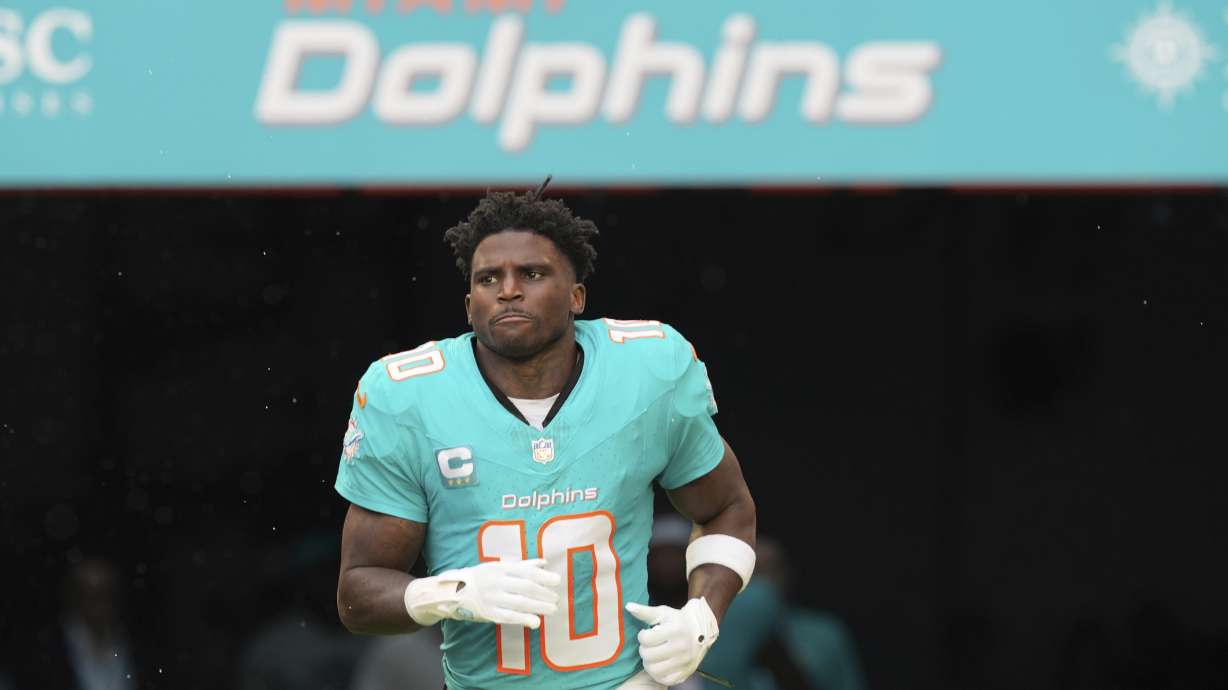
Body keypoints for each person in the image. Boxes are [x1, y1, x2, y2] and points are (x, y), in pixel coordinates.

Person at [333, 180, 757, 690]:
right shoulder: (406, 397)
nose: (508, 289)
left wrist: (701, 619)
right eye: (489, 278)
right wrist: (451, 593)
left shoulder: (648, 369)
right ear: (469, 305)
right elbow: (357, 594)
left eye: (531, 273)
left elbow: (727, 509)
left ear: (577, 296)